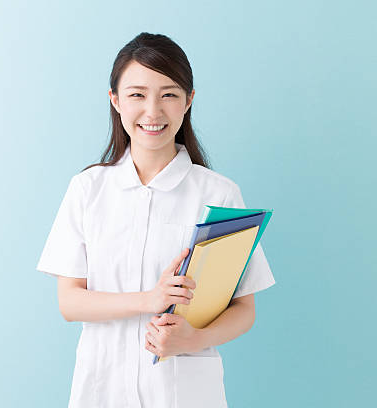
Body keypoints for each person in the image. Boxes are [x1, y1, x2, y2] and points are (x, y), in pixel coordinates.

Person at [35, 32, 275, 408]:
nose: (153, 111)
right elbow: (71, 303)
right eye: (136, 94)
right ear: (114, 100)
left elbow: (245, 310)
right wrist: (151, 299)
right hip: (103, 389)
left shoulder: (219, 195)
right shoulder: (87, 189)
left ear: (188, 100)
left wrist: (192, 339)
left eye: (168, 94)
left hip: (185, 394)